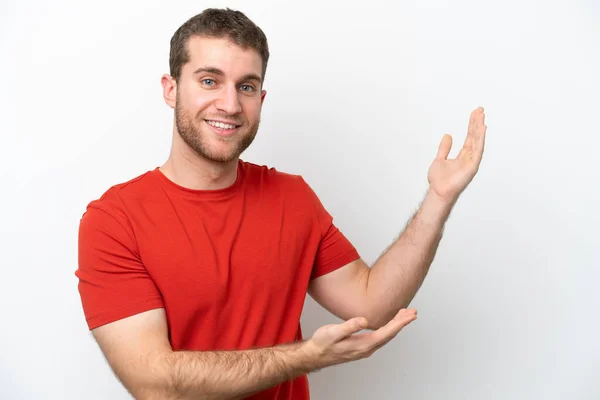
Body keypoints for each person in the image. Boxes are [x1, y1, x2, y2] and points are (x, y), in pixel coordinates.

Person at [75, 7, 487, 400]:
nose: (230, 104)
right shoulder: (113, 221)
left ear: (261, 97)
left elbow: (370, 303)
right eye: (208, 80)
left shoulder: (292, 198)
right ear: (171, 89)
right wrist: (306, 358)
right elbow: (157, 384)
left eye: (246, 86)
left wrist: (438, 199)